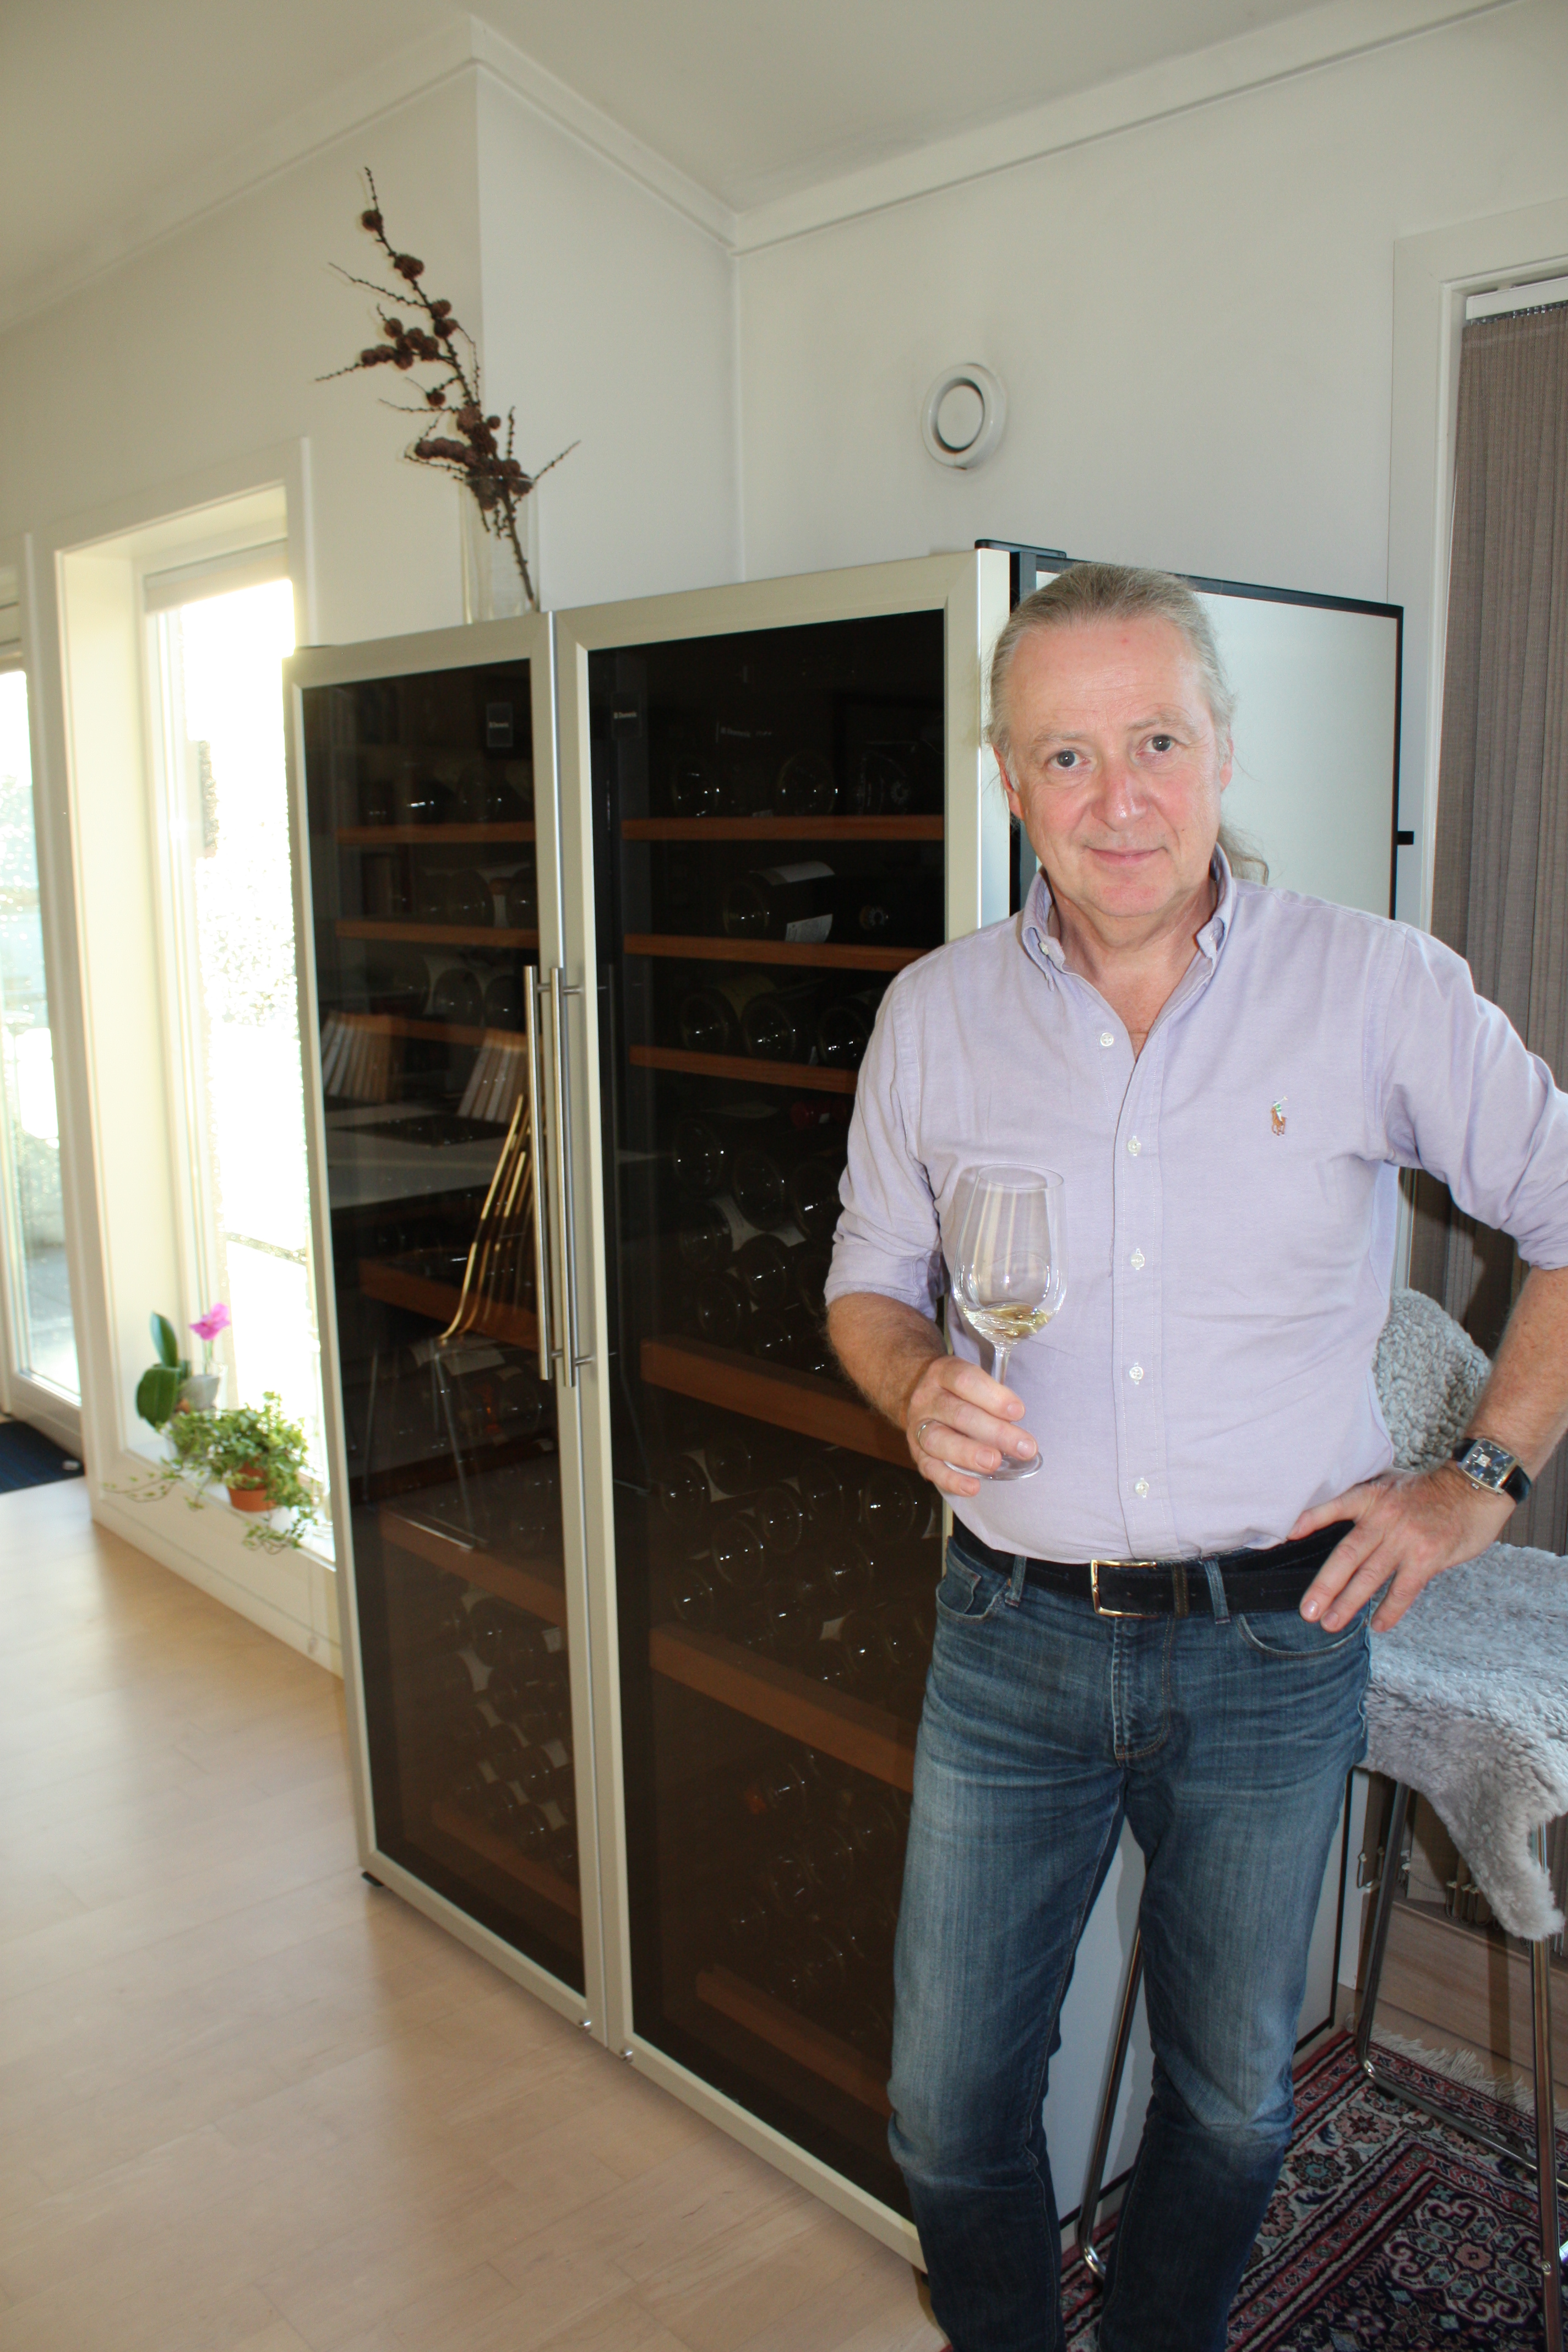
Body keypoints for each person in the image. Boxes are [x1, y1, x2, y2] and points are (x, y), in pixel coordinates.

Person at [824, 562, 1568, 2352]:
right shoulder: (935, 1015)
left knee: (1229, 2107)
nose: (1119, 799)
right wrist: (910, 1381)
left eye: (1155, 740)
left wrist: (1481, 1479)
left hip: (1274, 1643)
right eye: (1067, 756)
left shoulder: (1374, 987)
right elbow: (866, 1283)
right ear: (1012, 781)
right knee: (945, 2115)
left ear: (1224, 746)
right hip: (1008, 1635)